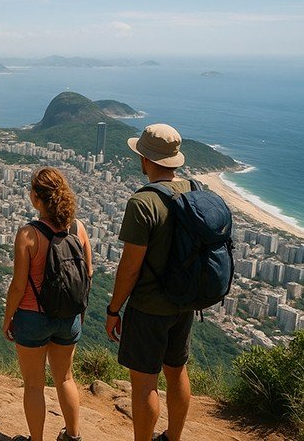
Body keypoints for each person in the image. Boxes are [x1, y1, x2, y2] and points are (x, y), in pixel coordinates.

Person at [105, 124, 194, 441]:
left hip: (148, 308)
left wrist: (114, 309)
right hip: (184, 302)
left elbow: (129, 268)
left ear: (145, 159)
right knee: (177, 372)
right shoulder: (192, 190)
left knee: (144, 384)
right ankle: (173, 437)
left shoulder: (142, 203)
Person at [3, 167, 92, 441]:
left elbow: (19, 285)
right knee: (65, 378)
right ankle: (73, 436)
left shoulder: (28, 234)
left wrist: (8, 319)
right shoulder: (77, 228)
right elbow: (87, 273)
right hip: (68, 316)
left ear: (36, 198)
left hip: (32, 317)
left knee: (33, 385)